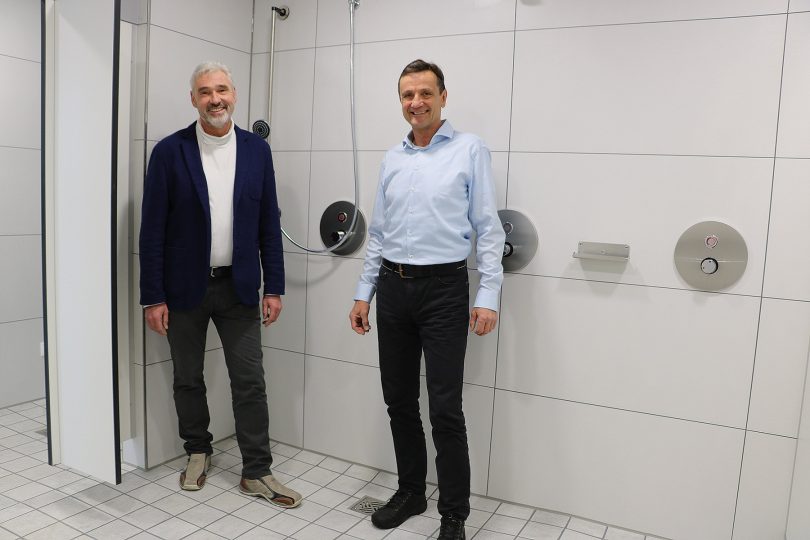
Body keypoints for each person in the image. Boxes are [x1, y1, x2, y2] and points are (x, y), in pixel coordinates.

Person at [349, 59, 505, 540]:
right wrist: (364, 293)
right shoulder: (392, 158)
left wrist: (488, 295)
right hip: (393, 288)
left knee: (444, 408)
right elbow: (379, 233)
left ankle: (453, 514)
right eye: (407, 95)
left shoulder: (469, 149)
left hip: (444, 291)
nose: (415, 103)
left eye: (424, 93)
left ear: (442, 97)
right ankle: (411, 491)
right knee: (399, 400)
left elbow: (488, 229)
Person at [139, 61, 301, 508]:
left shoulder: (256, 151)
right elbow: (151, 231)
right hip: (183, 291)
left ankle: (257, 470)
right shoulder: (170, 152)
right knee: (188, 378)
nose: (215, 99)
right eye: (206, 92)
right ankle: (198, 450)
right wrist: (153, 297)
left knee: (250, 381)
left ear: (234, 94)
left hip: (239, 288)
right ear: (193, 99)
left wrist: (274, 287)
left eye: (222, 90)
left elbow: (269, 223)